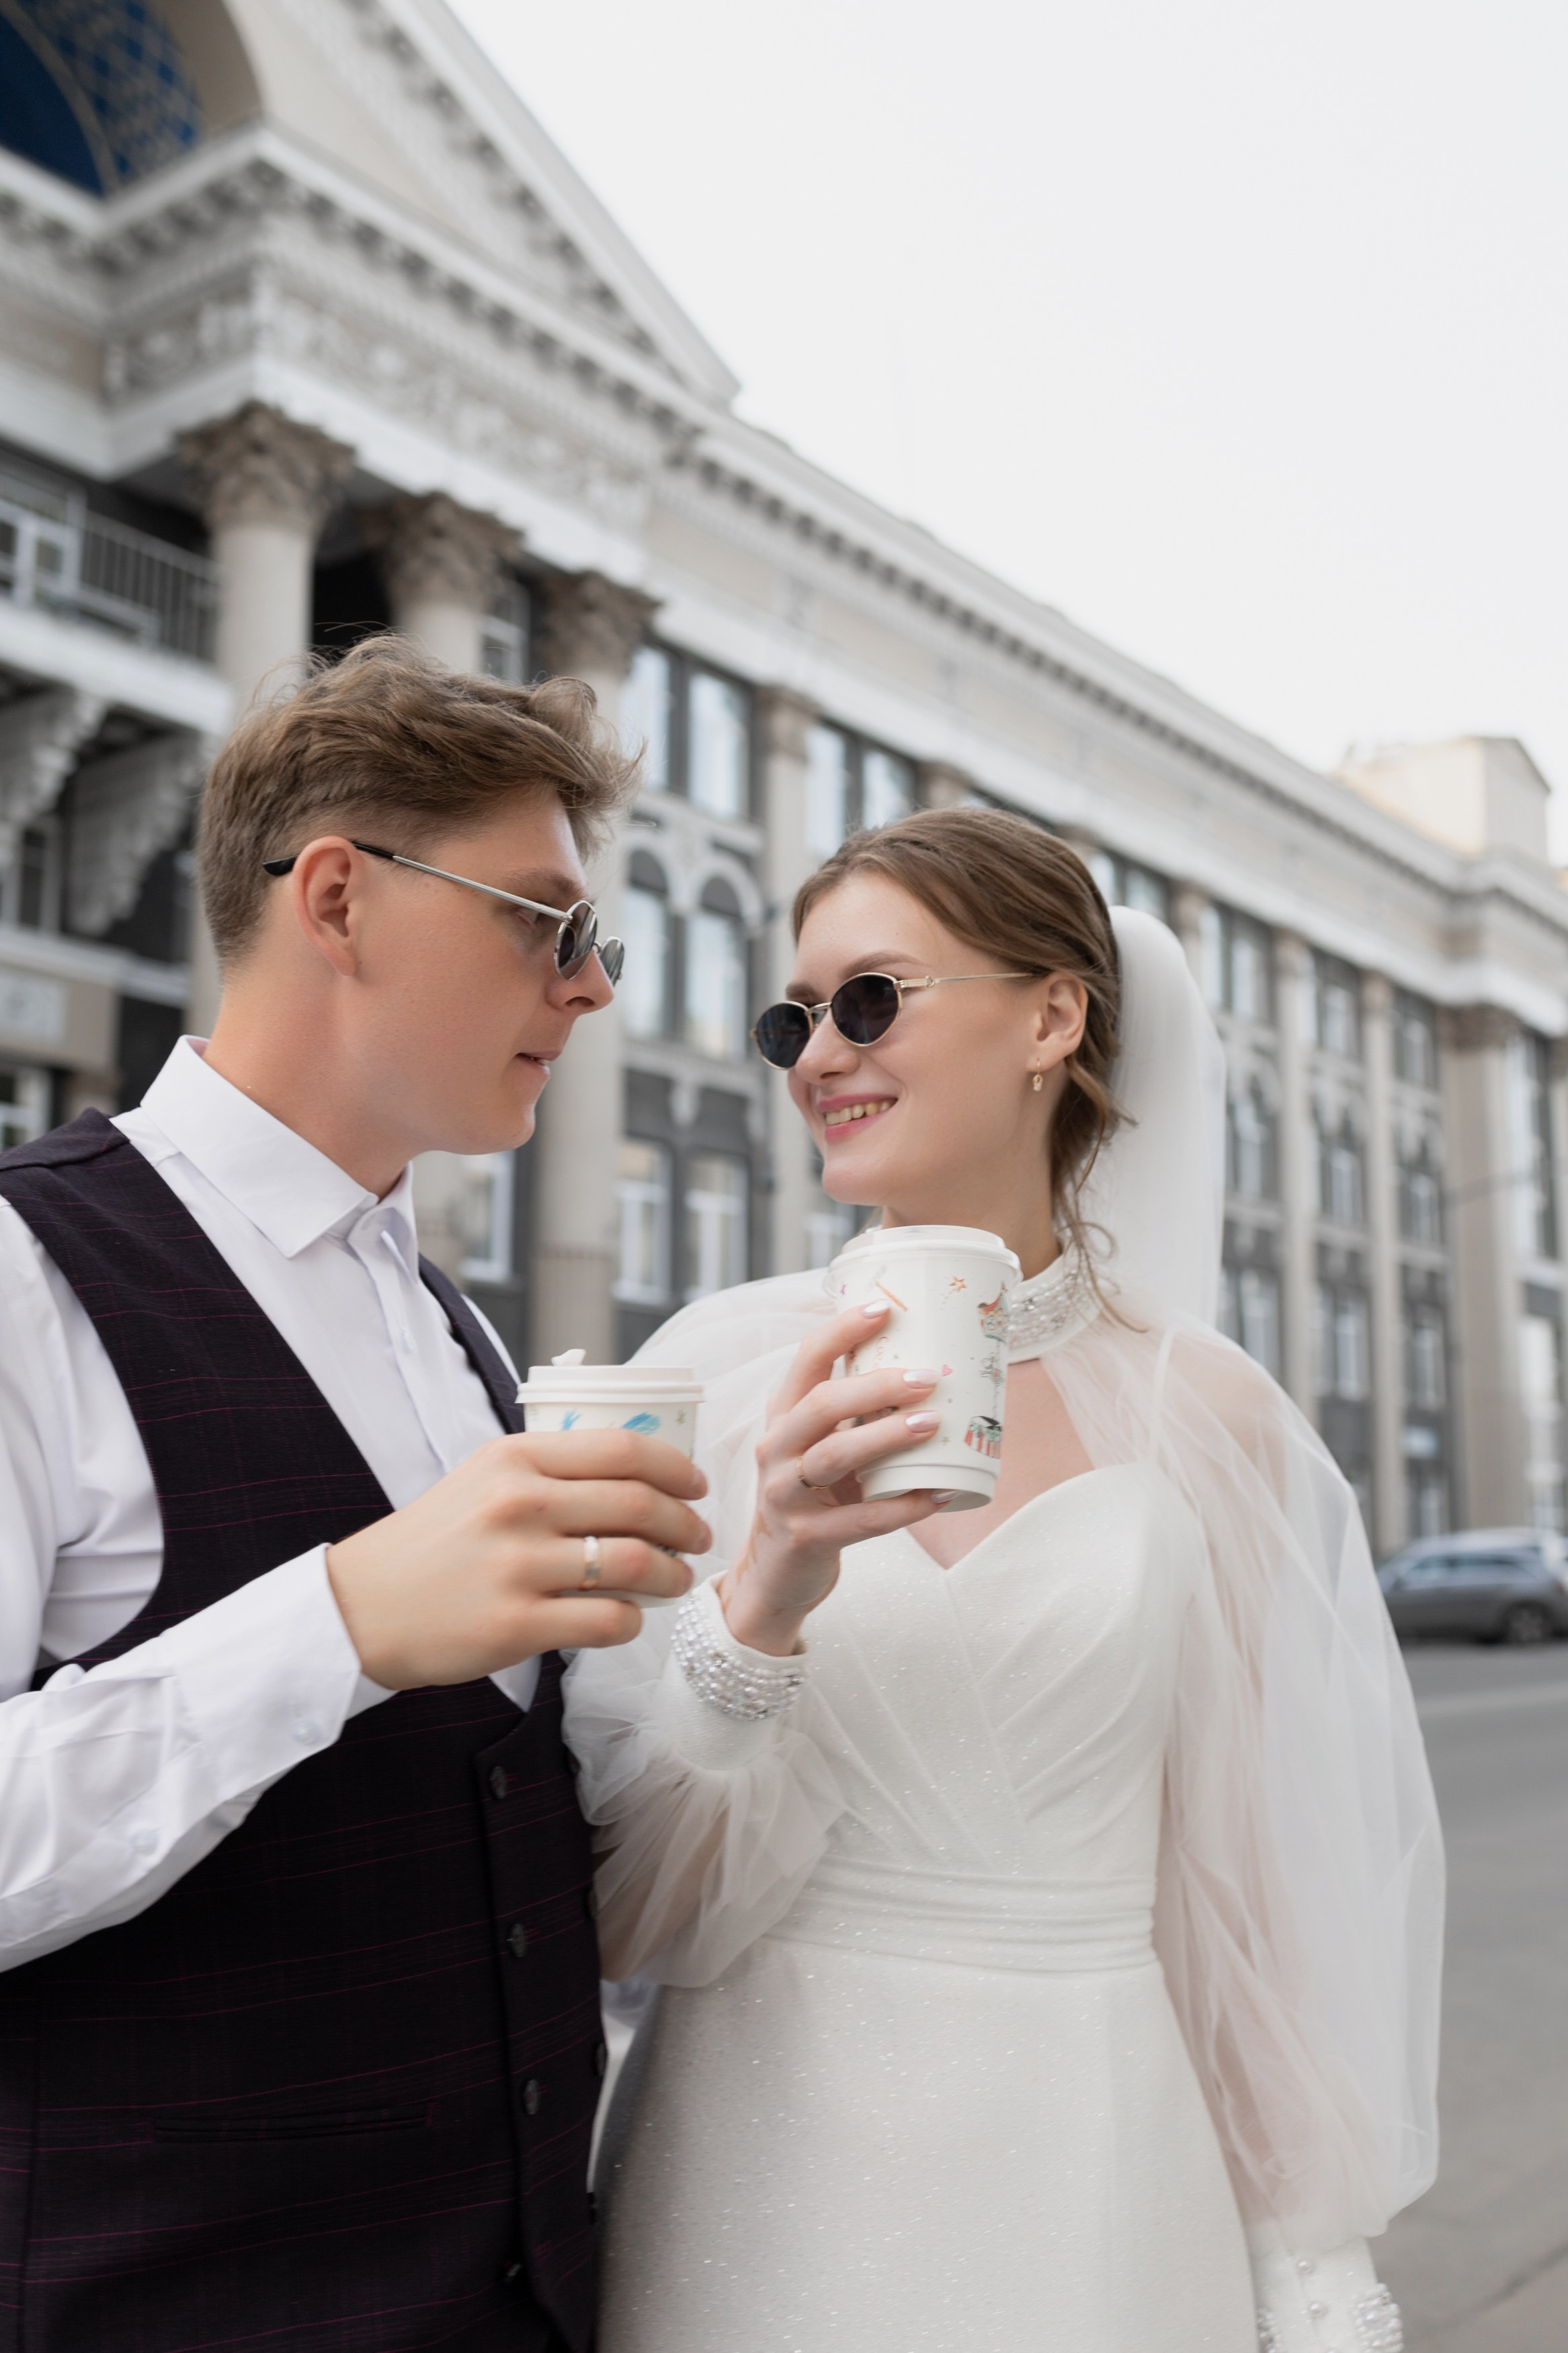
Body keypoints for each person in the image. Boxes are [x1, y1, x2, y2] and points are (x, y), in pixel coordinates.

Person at [567, 806, 1442, 2353]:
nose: (815, 1054)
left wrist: (1316, 2276)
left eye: (870, 996)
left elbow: (1246, 1905)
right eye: (795, 1015)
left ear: (1054, 1015)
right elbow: (628, 1909)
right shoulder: (711, 1372)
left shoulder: (1214, 1415)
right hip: (751, 2170)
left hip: (1096, 2175)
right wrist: (765, 1586)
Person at [0, 639, 709, 2352]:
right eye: (549, 925)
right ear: (338, 895)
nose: (593, 986)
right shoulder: (22, 1269)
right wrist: (338, 1621)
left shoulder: (451, 1322)